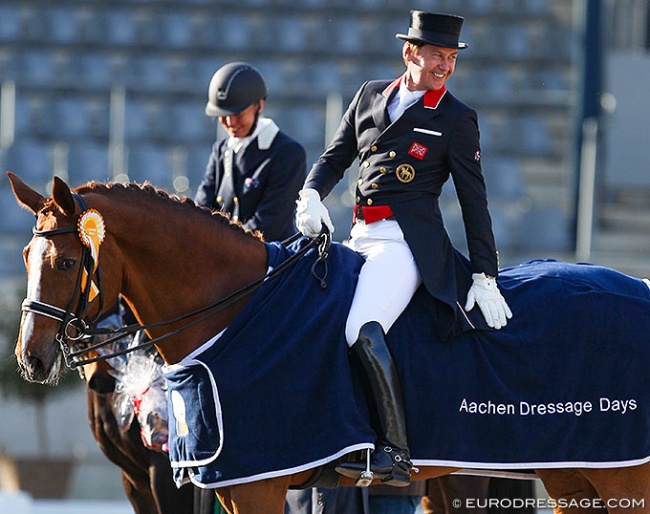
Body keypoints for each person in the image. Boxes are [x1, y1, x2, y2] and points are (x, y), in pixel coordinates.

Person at [294, 10, 512, 488]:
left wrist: (484, 274)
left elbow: (475, 202)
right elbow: (335, 158)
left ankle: (395, 451)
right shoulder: (370, 94)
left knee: (360, 327)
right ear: (410, 52)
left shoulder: (455, 117)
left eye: (452, 57)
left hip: (406, 245)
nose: (445, 66)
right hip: (357, 238)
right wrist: (310, 192)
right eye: (437, 54)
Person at [194, 61, 306, 242]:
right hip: (222, 255)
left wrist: (220, 244)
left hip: (269, 259)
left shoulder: (288, 153)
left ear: (259, 106)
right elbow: (202, 207)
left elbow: (270, 223)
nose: (230, 123)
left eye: (238, 114)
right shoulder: (221, 150)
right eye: (223, 116)